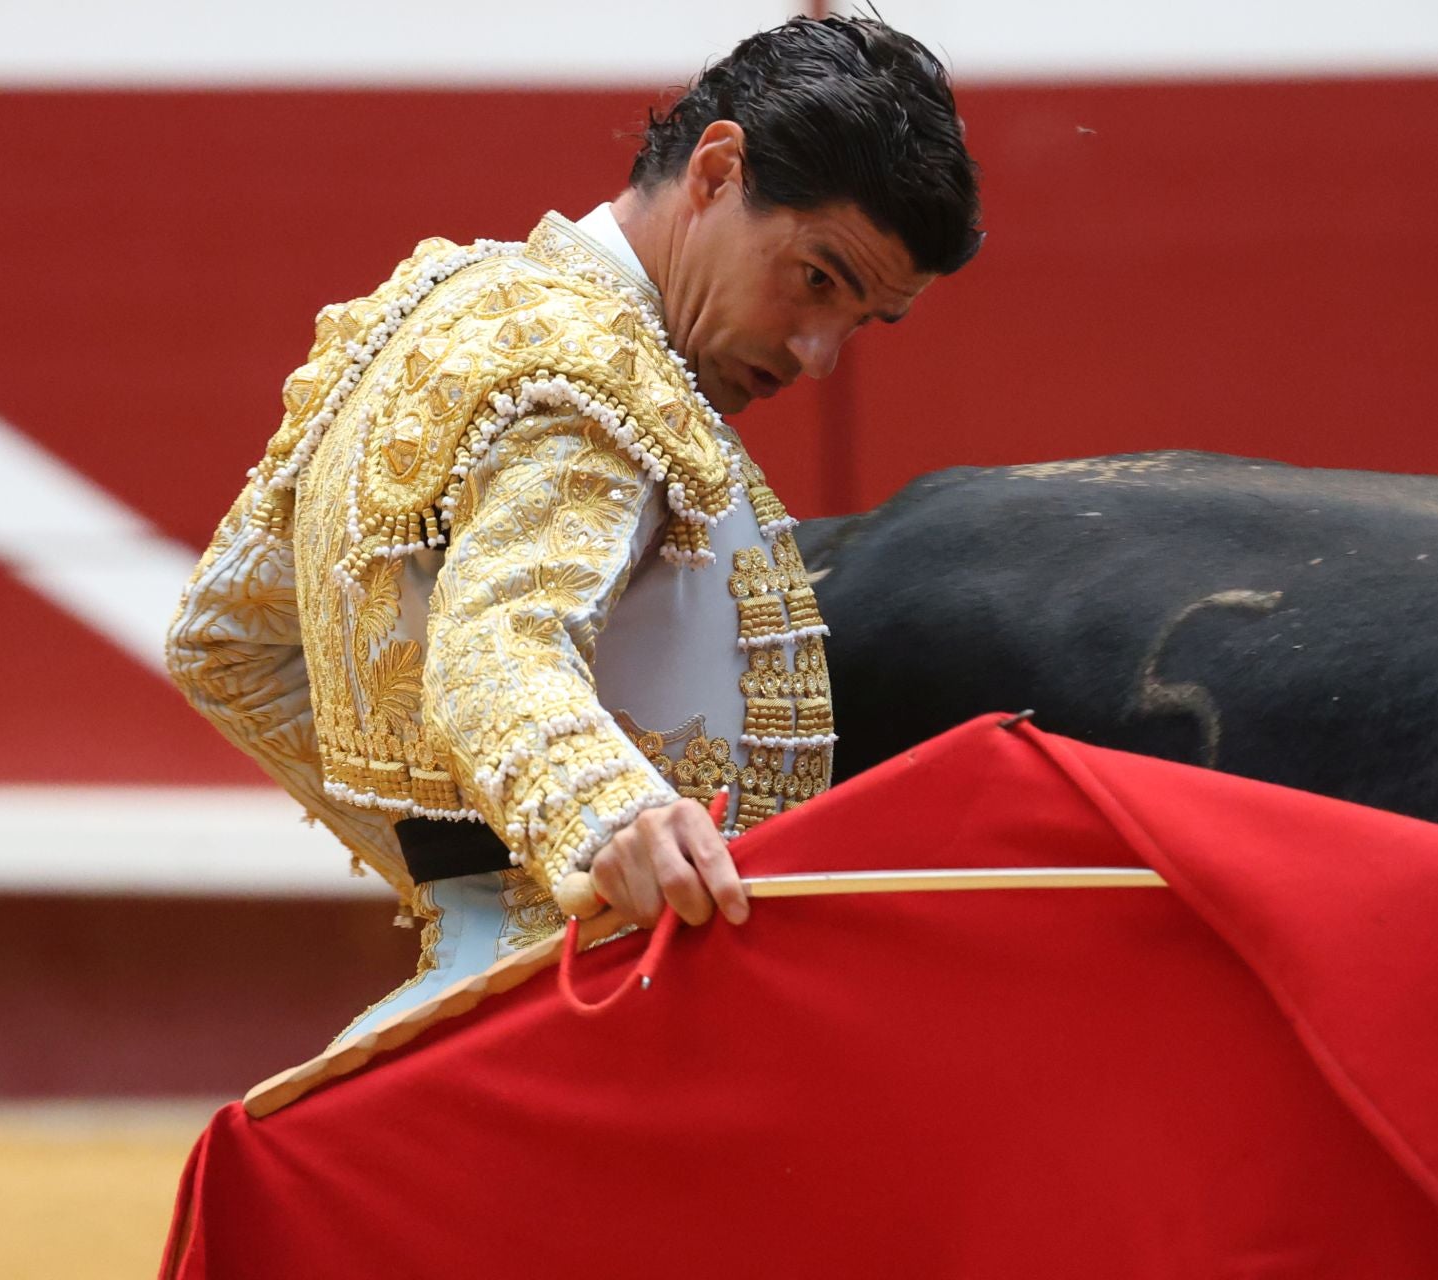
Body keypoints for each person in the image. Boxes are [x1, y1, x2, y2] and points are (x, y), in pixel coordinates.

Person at [166, 15, 982, 1039]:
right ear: (720, 169)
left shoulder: (444, 305)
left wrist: (482, 876)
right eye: (814, 278)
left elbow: (226, 646)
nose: (818, 353)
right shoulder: (600, 375)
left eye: (859, 319)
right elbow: (497, 642)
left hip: (472, 1005)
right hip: (606, 1015)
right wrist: (607, 826)